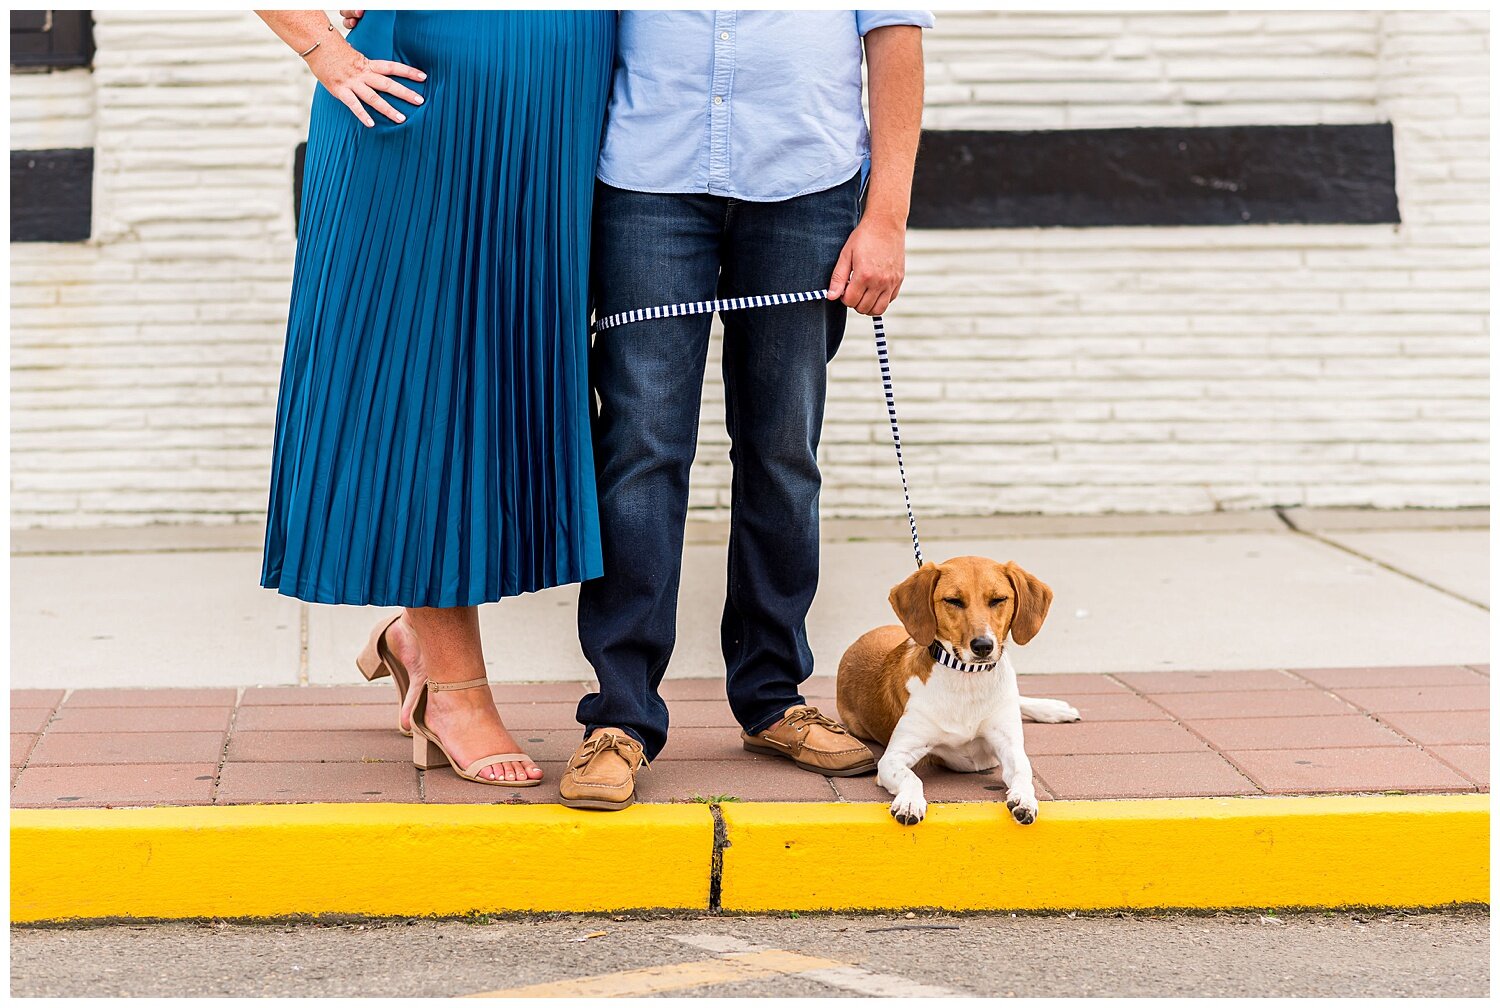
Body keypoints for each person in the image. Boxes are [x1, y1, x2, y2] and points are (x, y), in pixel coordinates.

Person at [560, 11, 932, 810]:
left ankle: (772, 698)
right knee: (640, 449)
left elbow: (897, 38)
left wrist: (887, 219)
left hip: (808, 189)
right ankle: (620, 717)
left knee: (783, 450)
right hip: (647, 185)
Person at [255, 11, 615, 785]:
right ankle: (453, 690)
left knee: (496, 382)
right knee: (431, 384)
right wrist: (322, 47)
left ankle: (419, 642)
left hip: (557, 105)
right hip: (422, 96)